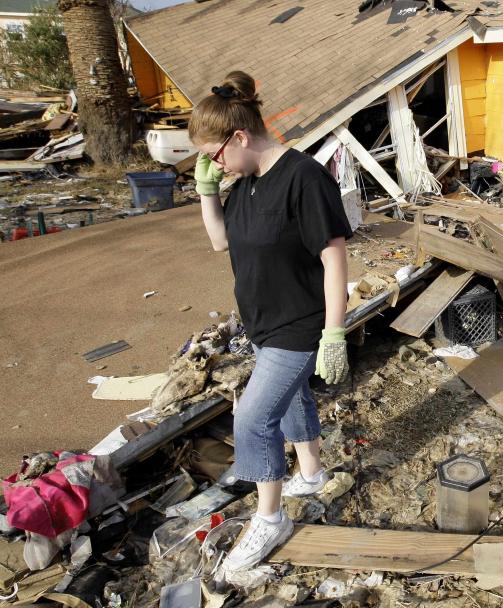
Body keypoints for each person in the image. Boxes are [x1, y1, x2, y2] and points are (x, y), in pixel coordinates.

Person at [187, 71, 353, 572]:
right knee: (291, 400)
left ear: (239, 137)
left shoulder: (303, 177)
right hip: (261, 321)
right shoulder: (245, 185)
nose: (213, 164)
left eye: (213, 155)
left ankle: (270, 517)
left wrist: (334, 332)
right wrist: (206, 191)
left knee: (253, 418)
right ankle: (310, 473)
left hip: (299, 325)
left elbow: (334, 256)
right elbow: (221, 242)